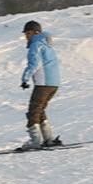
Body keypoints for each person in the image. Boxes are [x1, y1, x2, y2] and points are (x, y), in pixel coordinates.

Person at [19, 20, 62, 150]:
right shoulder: (47, 45)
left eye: (29, 33)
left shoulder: (36, 44)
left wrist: (25, 79)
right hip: (53, 83)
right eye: (26, 33)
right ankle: (48, 139)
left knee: (33, 111)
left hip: (44, 83)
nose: (27, 36)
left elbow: (34, 64)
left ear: (36, 33)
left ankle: (35, 141)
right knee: (40, 109)